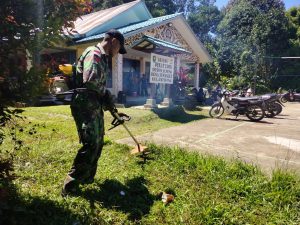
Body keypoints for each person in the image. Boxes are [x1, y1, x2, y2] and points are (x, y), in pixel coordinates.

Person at [62, 29, 127, 196]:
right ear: (112, 41)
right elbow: (91, 82)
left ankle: (86, 178)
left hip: (93, 105)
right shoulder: (94, 53)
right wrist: (106, 95)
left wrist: (112, 108)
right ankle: (70, 185)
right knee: (90, 143)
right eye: (119, 47)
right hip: (85, 105)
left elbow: (100, 90)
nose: (118, 52)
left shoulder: (103, 59)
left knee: (98, 142)